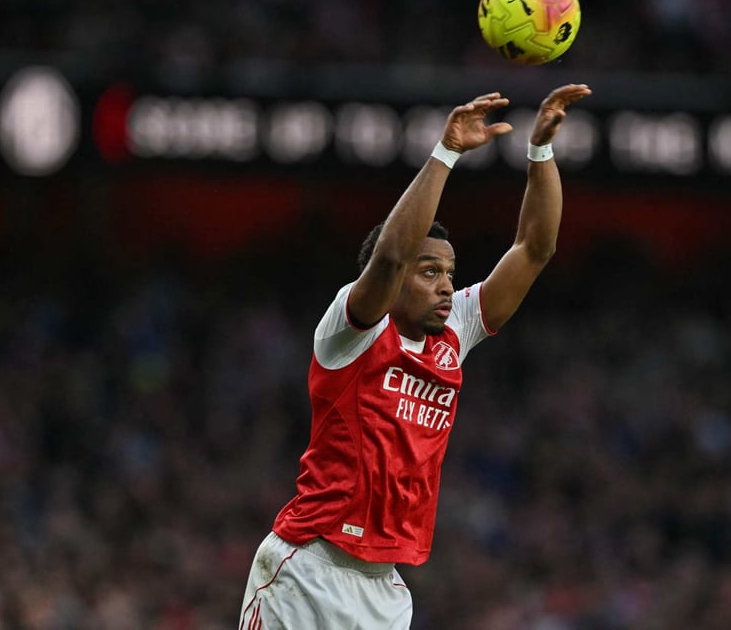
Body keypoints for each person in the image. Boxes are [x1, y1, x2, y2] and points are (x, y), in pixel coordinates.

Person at [238, 83, 592, 630]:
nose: (448, 286)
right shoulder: (349, 332)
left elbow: (534, 249)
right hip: (307, 568)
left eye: (450, 273)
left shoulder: (455, 334)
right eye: (430, 273)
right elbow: (392, 254)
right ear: (396, 279)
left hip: (387, 589)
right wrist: (446, 152)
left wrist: (540, 152)